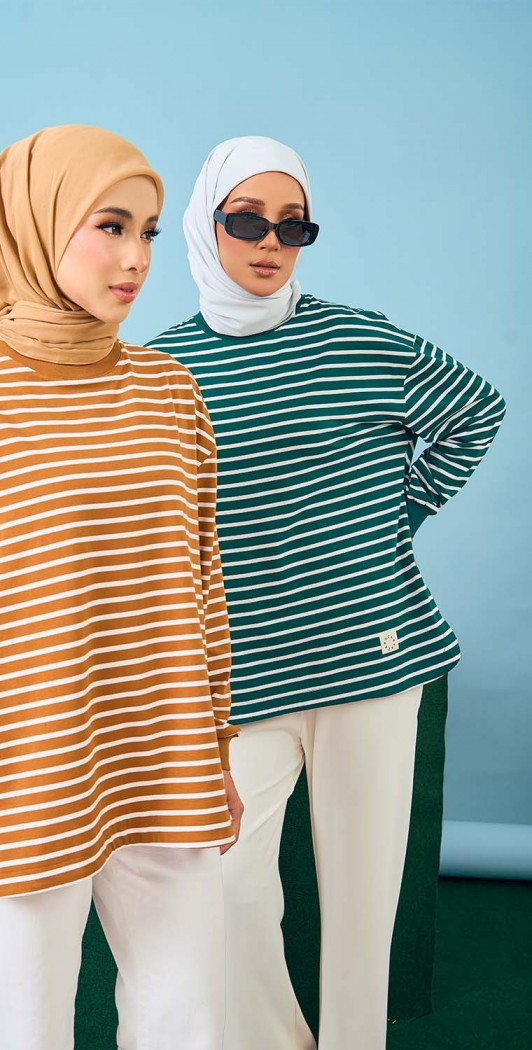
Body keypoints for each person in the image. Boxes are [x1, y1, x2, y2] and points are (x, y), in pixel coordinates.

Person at [0, 124, 243, 1050]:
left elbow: (202, 586)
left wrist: (216, 747)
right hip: (23, 776)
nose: (136, 259)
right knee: (25, 1029)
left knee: (190, 1022)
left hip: (166, 763)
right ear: (34, 225)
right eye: (110, 226)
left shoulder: (171, 394)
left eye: (149, 232)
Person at [146, 135, 506, 1050]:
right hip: (243, 679)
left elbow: (478, 409)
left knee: (362, 902)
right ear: (204, 225)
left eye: (294, 225)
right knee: (221, 890)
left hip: (374, 662)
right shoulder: (158, 373)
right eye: (247, 221)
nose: (271, 242)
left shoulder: (359, 338)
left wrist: (402, 514)